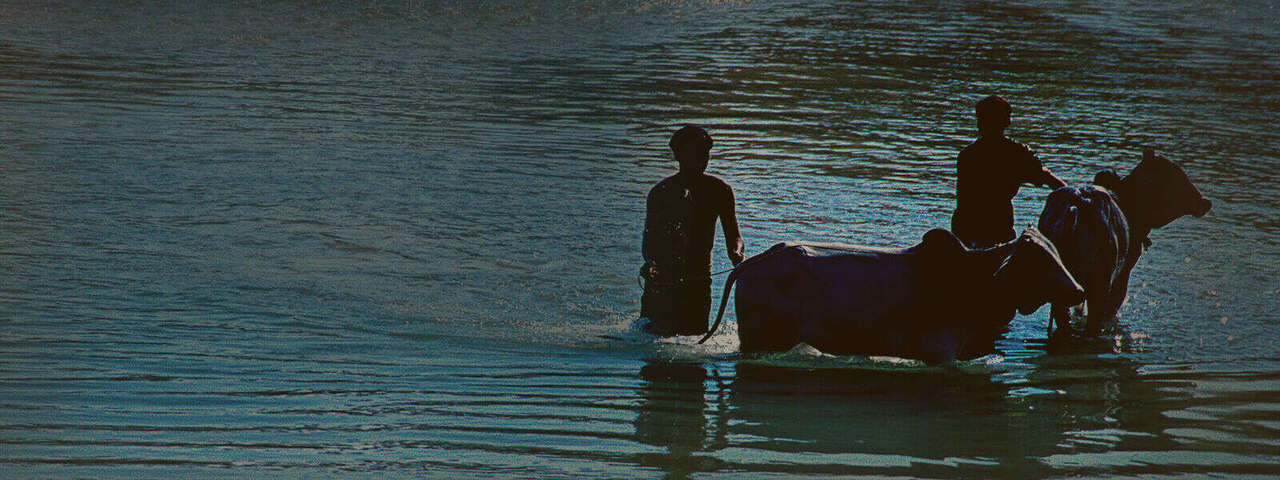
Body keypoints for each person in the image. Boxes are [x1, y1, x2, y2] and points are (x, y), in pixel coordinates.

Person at [640, 125, 745, 336]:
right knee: (651, 345)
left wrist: (737, 254)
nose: (701, 161)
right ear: (678, 156)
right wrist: (650, 263)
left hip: (697, 285)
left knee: (694, 342)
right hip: (661, 284)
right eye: (695, 155)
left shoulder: (720, 191)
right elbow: (649, 241)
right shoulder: (661, 193)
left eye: (704, 155)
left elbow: (734, 236)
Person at [951, 95, 1067, 248]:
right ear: (1007, 122)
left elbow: (964, 202)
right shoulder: (1018, 155)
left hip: (966, 232)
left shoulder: (968, 155)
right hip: (997, 231)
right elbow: (1052, 182)